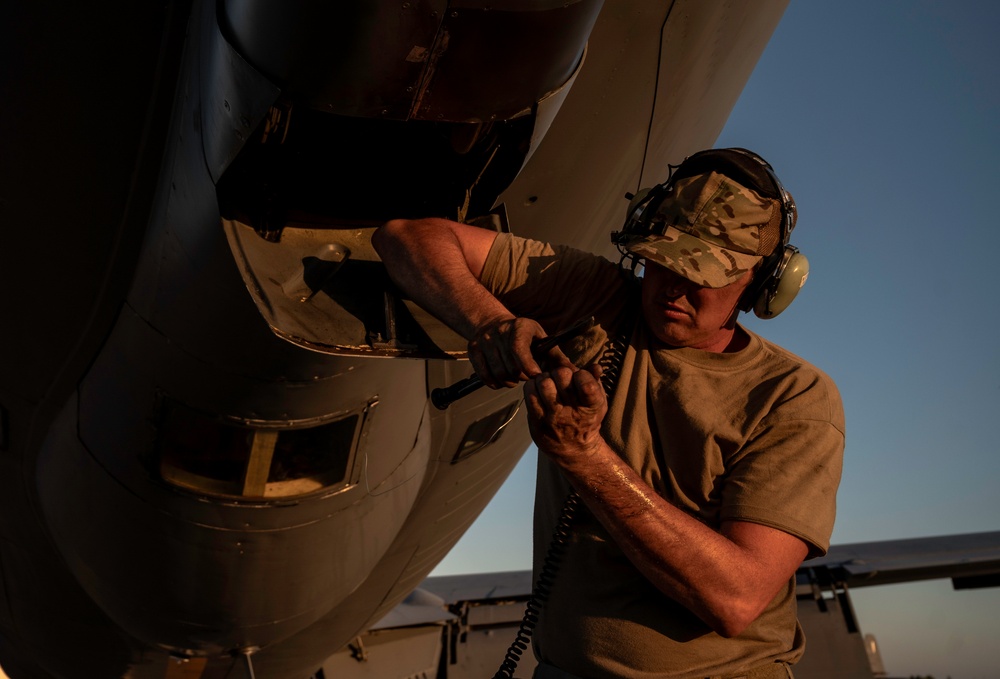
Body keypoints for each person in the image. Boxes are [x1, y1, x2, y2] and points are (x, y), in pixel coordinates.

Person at [372, 148, 844, 679]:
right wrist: (490, 322)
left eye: (705, 272)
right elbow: (407, 238)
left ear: (762, 281)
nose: (673, 286)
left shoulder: (793, 398)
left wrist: (586, 458)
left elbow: (734, 598)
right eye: (663, 258)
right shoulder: (598, 296)